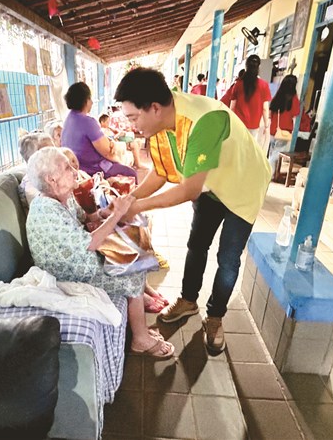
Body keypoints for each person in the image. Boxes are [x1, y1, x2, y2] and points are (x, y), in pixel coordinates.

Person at [114, 68, 270, 354]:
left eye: (134, 118)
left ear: (154, 108)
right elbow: (161, 173)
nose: (132, 126)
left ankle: (215, 316)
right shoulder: (161, 124)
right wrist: (128, 200)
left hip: (243, 184)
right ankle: (188, 300)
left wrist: (137, 207)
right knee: (197, 244)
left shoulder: (203, 120)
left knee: (227, 258)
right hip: (211, 184)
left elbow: (189, 190)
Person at [25, 147, 174, 359]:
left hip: (79, 258)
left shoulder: (62, 197)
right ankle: (140, 339)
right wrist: (116, 215)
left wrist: (110, 210)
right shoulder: (46, 211)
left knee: (134, 249)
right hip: (65, 272)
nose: (74, 171)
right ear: (52, 180)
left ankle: (140, 316)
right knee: (132, 273)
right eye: (67, 168)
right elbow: (91, 243)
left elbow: (87, 219)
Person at [61, 82, 137, 181]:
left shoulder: (68, 119)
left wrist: (110, 142)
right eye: (90, 99)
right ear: (85, 101)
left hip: (77, 167)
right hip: (93, 169)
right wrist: (120, 161)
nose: (92, 102)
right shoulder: (88, 122)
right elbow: (107, 153)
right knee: (131, 173)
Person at [225, 55, 272, 152]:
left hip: (238, 123)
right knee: (248, 149)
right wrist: (266, 125)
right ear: (258, 67)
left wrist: (230, 122)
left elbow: (232, 107)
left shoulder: (238, 84)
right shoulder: (264, 85)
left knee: (237, 148)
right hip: (253, 125)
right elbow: (265, 108)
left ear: (246, 66)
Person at [267, 75, 301, 172]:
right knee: (276, 154)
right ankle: (269, 172)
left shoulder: (277, 96)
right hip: (284, 131)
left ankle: (270, 172)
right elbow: (296, 112)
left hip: (273, 130)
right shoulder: (293, 99)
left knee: (272, 152)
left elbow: (270, 114)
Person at [18, 130, 57, 209]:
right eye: (48, 152)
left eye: (55, 149)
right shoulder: (31, 183)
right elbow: (45, 209)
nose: (57, 154)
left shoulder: (53, 173)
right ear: (33, 159)